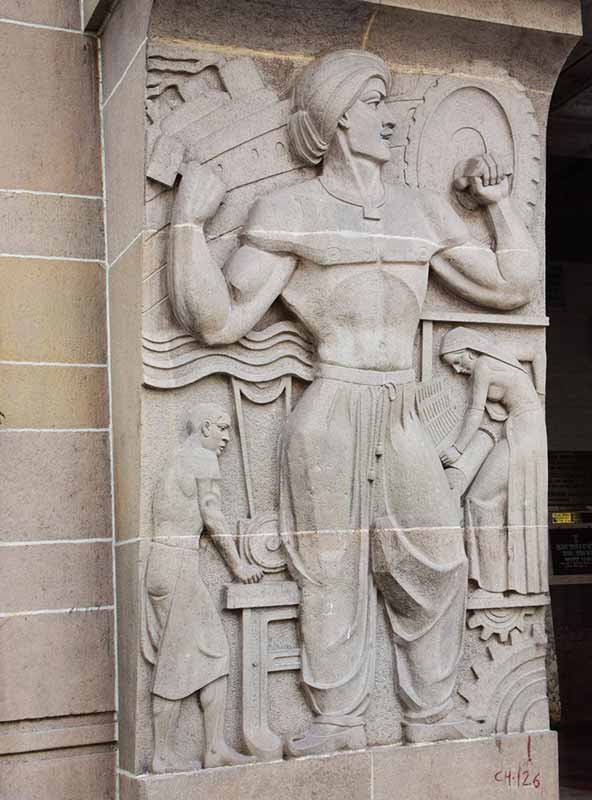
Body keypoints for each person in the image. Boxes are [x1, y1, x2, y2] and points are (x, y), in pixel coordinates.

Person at [167, 50, 539, 753]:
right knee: (328, 562)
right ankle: (335, 720)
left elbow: (509, 285)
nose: (390, 118)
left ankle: (430, 715)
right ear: (336, 119)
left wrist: (495, 208)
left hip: (401, 405)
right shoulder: (289, 209)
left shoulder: (420, 209)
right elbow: (219, 320)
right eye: (374, 101)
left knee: (437, 560)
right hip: (333, 403)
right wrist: (187, 223)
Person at [142, 403, 262, 773]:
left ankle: (213, 748)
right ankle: (162, 757)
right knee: (177, 664)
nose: (227, 438)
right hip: (178, 565)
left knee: (211, 652)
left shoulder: (179, 458)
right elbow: (213, 516)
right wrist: (238, 565)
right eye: (222, 429)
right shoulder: (202, 459)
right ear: (206, 427)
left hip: (165, 564)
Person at [439, 327, 548, 595]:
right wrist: (540, 395)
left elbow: (474, 413)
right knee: (494, 499)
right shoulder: (500, 356)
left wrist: (456, 449)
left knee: (479, 498)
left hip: (521, 432)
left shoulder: (482, 367)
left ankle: (493, 581)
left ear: (469, 351)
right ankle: (501, 578)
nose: (456, 370)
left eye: (456, 361)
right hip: (526, 427)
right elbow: (536, 353)